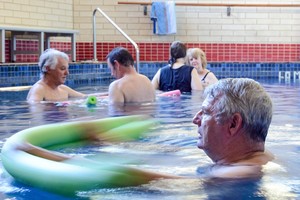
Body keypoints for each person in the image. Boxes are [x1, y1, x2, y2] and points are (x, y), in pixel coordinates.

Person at [193, 78, 274, 178]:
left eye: (206, 112)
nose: (195, 119)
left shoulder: (238, 173)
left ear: (233, 124)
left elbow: (180, 186)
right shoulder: (261, 157)